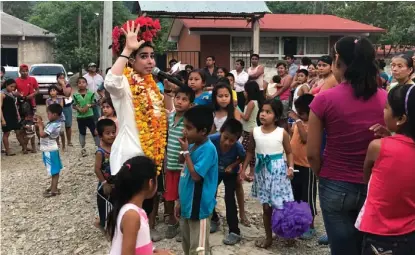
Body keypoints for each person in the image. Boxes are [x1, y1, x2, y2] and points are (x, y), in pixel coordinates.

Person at [307, 36, 388, 255]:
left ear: (339, 61)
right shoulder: (386, 99)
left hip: (335, 183)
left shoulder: (323, 100)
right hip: (374, 184)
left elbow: (313, 154)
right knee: (369, 248)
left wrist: (322, 175)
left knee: (342, 249)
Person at [104, 20, 172, 223]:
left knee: (144, 209)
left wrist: (167, 90)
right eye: (143, 56)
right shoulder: (125, 84)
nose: (150, 61)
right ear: (131, 61)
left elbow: (166, 114)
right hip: (130, 158)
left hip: (150, 157)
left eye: (152, 56)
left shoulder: (152, 86)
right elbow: (110, 81)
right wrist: (127, 49)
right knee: (128, 213)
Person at [356, 84, 415, 255]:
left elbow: (368, 179)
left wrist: (389, 139)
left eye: (386, 107)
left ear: (401, 118)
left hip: (379, 233)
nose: (383, 111)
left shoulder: (377, 147)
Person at [241, 99, 295, 249]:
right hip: (262, 172)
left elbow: (289, 152)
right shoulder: (255, 131)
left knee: (282, 205)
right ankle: (268, 237)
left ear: (276, 117)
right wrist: (243, 168)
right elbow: (250, 151)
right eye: (262, 111)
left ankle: (288, 233)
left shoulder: (281, 133)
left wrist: (290, 167)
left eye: (268, 112)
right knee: (266, 207)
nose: (263, 114)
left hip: (277, 171)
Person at [107, 156, 173, 255]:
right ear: (151, 183)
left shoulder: (133, 209)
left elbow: (138, 245)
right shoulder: (132, 215)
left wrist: (153, 251)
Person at [175, 105, 218, 255]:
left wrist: (186, 152)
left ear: (203, 131)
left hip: (199, 208)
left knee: (199, 249)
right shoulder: (193, 145)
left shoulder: (208, 149)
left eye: (189, 128)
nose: (185, 130)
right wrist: (179, 201)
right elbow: (182, 162)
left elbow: (196, 176)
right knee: (188, 246)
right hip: (188, 204)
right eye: (184, 126)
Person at [164, 85, 195, 240]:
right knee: (169, 195)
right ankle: (172, 222)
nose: (179, 102)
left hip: (183, 166)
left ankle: (184, 225)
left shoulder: (188, 122)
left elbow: (190, 142)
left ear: (190, 104)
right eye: (177, 98)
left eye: (184, 99)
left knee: (183, 196)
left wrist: (184, 155)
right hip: (170, 164)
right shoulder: (170, 117)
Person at [209, 119, 245, 245]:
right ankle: (213, 219)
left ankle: (234, 231)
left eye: (232, 140)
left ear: (237, 140)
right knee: (209, 194)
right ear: (221, 132)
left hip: (230, 173)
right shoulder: (211, 139)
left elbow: (243, 157)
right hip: (215, 172)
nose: (227, 142)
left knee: (229, 198)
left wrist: (233, 165)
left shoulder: (238, 147)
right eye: (225, 138)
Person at [288, 94, 317, 240]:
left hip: (307, 167)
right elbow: (293, 136)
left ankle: (311, 227)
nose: (299, 115)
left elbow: (305, 138)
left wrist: (298, 121)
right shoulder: (297, 123)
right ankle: (299, 223)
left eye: (302, 113)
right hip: (295, 164)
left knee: (308, 198)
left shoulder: (313, 124)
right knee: (296, 195)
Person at [36, 104, 63, 198]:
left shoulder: (54, 124)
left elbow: (42, 134)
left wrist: (40, 126)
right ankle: (53, 187)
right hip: (51, 149)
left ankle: (53, 190)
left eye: (48, 113)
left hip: (49, 150)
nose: (47, 115)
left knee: (54, 171)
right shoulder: (55, 123)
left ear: (55, 114)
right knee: (55, 169)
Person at [94, 119, 116, 232]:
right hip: (105, 185)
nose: (111, 135)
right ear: (101, 135)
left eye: (113, 132)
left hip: (116, 184)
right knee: (106, 208)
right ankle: (104, 226)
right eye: (108, 133)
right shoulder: (100, 152)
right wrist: (104, 183)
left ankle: (112, 228)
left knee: (115, 207)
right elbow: (97, 169)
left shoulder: (117, 148)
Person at [239, 81, 260, 181]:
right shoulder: (250, 102)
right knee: (248, 151)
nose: (244, 92)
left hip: (251, 130)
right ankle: (249, 171)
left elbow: (246, 117)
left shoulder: (252, 102)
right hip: (247, 129)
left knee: (248, 151)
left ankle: (251, 171)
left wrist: (237, 110)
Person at [73, 77, 99, 157]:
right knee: (82, 132)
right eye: (79, 83)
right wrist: (78, 108)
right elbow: (74, 105)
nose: (81, 84)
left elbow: (94, 103)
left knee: (94, 131)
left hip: (89, 116)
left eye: (83, 82)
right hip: (80, 117)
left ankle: (98, 148)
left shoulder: (91, 94)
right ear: (77, 85)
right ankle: (83, 148)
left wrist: (89, 106)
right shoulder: (75, 95)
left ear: (86, 84)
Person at [268, 62, 292, 130]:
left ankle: (283, 134)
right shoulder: (275, 77)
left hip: (284, 99)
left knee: (283, 118)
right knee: (276, 117)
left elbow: (283, 88)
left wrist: (273, 95)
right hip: (275, 100)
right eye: (278, 68)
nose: (279, 70)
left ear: (285, 69)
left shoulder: (288, 77)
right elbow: (270, 85)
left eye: (281, 68)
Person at [1, 79, 21, 156]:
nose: (13, 88)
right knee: (6, 133)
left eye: (14, 87)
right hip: (6, 116)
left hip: (13, 115)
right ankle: (7, 150)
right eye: (11, 86)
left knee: (18, 131)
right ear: (6, 85)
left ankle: (24, 146)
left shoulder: (11, 93)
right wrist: (2, 120)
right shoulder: (2, 94)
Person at [55, 73, 73, 147]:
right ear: (57, 78)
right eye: (60, 78)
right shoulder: (54, 86)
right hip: (57, 107)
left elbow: (67, 94)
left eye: (63, 78)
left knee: (68, 125)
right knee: (57, 125)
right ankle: (57, 142)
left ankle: (69, 141)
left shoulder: (67, 85)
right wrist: (62, 96)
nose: (62, 79)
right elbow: (53, 95)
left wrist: (63, 85)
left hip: (67, 107)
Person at [46, 85, 66, 151]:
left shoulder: (60, 99)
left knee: (62, 132)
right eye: (51, 91)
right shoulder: (48, 100)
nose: (52, 92)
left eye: (54, 90)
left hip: (60, 118)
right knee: (55, 132)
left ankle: (64, 146)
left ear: (57, 91)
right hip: (53, 119)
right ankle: (57, 144)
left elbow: (61, 107)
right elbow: (47, 109)